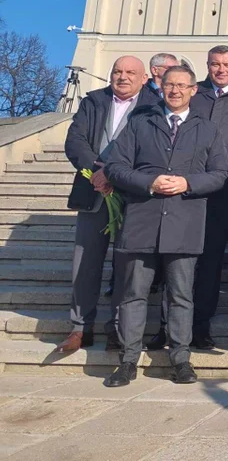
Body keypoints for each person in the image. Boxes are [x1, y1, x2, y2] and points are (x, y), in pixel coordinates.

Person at [103, 65, 228, 387]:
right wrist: (149, 182)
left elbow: (219, 174)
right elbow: (116, 167)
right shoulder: (140, 123)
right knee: (133, 294)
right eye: (169, 84)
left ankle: (181, 359)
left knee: (181, 295)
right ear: (161, 88)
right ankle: (128, 361)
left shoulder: (208, 129)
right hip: (142, 220)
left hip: (184, 223)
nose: (174, 90)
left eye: (181, 85)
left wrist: (187, 182)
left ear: (193, 90)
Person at [145, 45, 228, 352]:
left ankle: (200, 326)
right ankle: (166, 326)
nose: (221, 69)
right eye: (215, 64)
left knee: (210, 259)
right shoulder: (194, 93)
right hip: (183, 186)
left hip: (222, 186)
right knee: (173, 257)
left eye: (226, 64)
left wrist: (222, 167)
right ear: (207, 66)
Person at [57, 55, 153, 354]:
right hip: (92, 191)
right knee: (84, 263)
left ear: (144, 79)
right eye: (117, 71)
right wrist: (95, 172)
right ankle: (80, 328)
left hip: (131, 194)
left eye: (130, 72)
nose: (122, 77)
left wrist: (114, 173)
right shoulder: (93, 101)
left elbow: (151, 149)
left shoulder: (153, 107)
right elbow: (75, 141)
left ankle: (118, 328)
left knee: (127, 267)